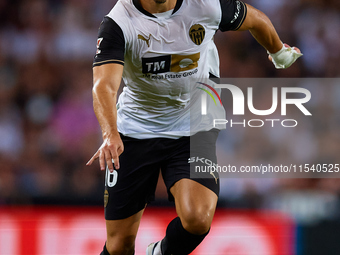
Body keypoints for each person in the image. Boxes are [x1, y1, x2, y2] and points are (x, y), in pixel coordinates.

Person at [86, 0, 302, 254]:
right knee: (119, 245)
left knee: (198, 219)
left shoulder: (205, 5)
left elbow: (255, 19)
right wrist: (110, 133)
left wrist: (278, 52)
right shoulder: (119, 22)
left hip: (194, 125)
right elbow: (104, 86)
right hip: (136, 130)